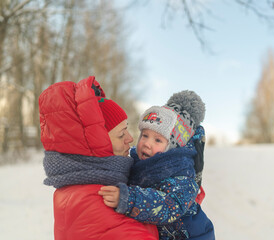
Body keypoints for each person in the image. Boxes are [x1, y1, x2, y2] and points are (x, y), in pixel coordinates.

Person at [40, 76, 158, 240]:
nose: (130, 138)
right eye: (120, 134)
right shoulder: (93, 199)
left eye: (127, 130)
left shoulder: (91, 184)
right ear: (95, 146)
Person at [99, 90, 215, 239]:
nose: (147, 143)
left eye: (157, 140)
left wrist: (129, 199)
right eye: (145, 135)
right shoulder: (136, 162)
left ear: (173, 146)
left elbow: (169, 205)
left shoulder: (181, 173)